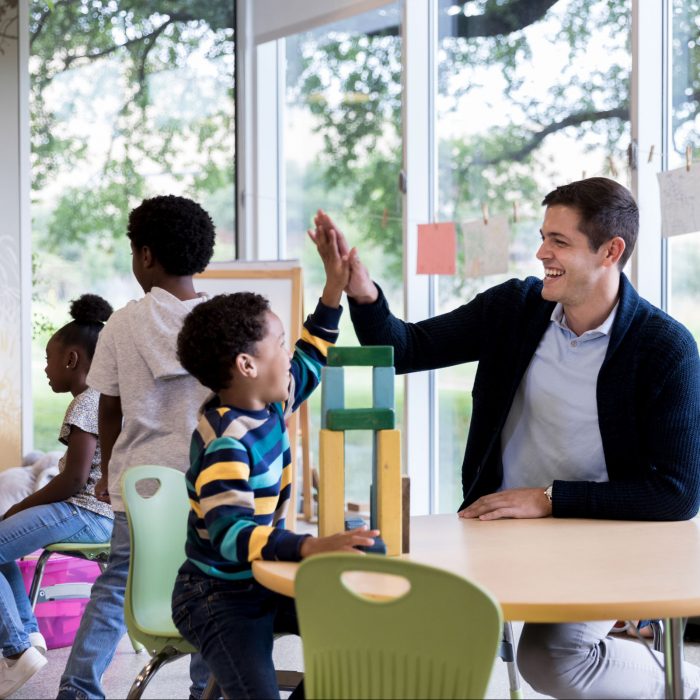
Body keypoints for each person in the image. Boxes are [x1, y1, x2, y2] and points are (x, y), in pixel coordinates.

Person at [310, 177, 700, 699]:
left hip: (601, 537)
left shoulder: (665, 347)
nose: (542, 253)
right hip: (494, 526)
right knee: (390, 625)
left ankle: (687, 685)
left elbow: (678, 492)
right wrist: (362, 291)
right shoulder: (514, 308)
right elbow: (404, 348)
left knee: (552, 659)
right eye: (544, 237)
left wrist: (549, 499)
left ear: (612, 251)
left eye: (559, 242)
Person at [170, 223, 379, 700]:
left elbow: (311, 353)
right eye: (278, 343)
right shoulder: (225, 441)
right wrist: (309, 547)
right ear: (247, 365)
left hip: (265, 579)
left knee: (362, 636)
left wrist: (333, 285)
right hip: (218, 598)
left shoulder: (270, 404)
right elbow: (231, 536)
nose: (288, 354)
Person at [57, 195, 216, 700]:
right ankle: (205, 692)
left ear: (145, 255)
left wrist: (107, 474)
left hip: (141, 487)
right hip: (211, 486)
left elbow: (107, 407)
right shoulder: (220, 321)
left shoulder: (124, 324)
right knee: (214, 589)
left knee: (117, 587)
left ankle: (78, 689)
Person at [0, 294, 114, 698]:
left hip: (84, 511)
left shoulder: (86, 402)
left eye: (49, 359)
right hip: (95, 512)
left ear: (71, 360)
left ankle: (15, 649)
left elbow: (73, 480)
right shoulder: (103, 397)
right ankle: (27, 639)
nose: (45, 369)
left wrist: (16, 507)